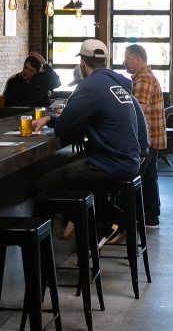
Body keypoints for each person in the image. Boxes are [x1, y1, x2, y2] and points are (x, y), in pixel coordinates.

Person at [32, 39, 148, 241]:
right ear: (105, 61)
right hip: (130, 161)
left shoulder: (89, 86)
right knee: (77, 170)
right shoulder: (119, 85)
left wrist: (52, 120)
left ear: (82, 63)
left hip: (109, 164)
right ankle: (110, 222)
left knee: (41, 184)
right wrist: (52, 119)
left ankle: (80, 231)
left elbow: (63, 127)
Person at [124, 44, 164, 229]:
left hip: (145, 139)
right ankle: (151, 218)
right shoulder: (147, 76)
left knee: (134, 179)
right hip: (153, 137)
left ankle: (129, 221)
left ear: (137, 59)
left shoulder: (143, 79)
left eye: (127, 58)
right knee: (149, 179)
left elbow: (138, 111)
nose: (124, 62)